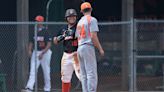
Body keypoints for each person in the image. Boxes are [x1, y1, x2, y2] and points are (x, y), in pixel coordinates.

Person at [76, 2, 104, 92]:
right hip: (87, 46)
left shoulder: (80, 22)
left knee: (84, 74)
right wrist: (100, 48)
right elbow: (93, 36)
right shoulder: (92, 20)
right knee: (91, 73)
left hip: (80, 47)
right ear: (91, 9)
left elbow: (76, 36)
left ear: (81, 11)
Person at [53, 9, 80, 92]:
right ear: (66, 18)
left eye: (73, 16)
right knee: (65, 77)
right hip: (66, 55)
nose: (72, 18)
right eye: (70, 16)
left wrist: (74, 34)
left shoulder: (79, 26)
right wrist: (62, 36)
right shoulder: (63, 29)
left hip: (76, 54)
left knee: (82, 76)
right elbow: (55, 41)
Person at [24, 15, 52, 92]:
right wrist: (29, 50)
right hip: (36, 52)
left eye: (38, 21)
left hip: (45, 52)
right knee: (32, 70)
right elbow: (31, 42)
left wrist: (42, 53)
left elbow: (49, 44)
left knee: (46, 71)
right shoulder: (34, 30)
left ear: (41, 22)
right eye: (36, 21)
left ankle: (47, 88)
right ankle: (29, 87)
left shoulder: (45, 31)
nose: (36, 23)